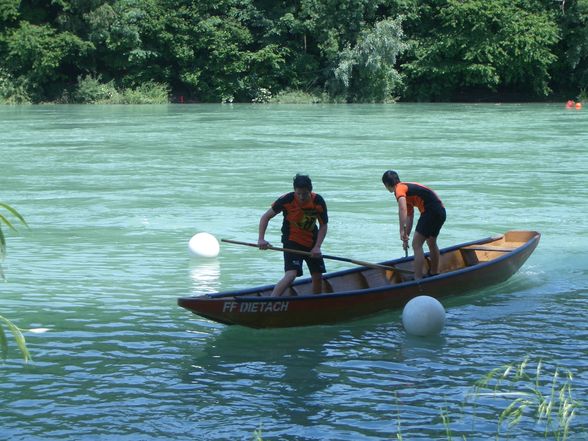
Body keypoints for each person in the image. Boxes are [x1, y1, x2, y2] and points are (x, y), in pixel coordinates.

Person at [258, 174, 328, 296]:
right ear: (294, 190)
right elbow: (265, 217)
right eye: (298, 194)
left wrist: (317, 246)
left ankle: (316, 302)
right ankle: (271, 301)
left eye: (305, 194)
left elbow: (323, 226)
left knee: (317, 275)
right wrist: (261, 239)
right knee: (291, 274)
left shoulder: (318, 201)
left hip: (312, 241)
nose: (301, 197)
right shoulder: (286, 199)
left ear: (310, 191)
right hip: (291, 241)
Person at [382, 170, 446, 280]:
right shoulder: (407, 191)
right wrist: (405, 236)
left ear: (387, 185)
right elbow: (409, 217)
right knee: (431, 242)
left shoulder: (399, 189)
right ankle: (434, 272)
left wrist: (401, 230)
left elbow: (402, 209)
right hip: (440, 211)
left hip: (430, 211)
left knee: (416, 245)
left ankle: (418, 279)